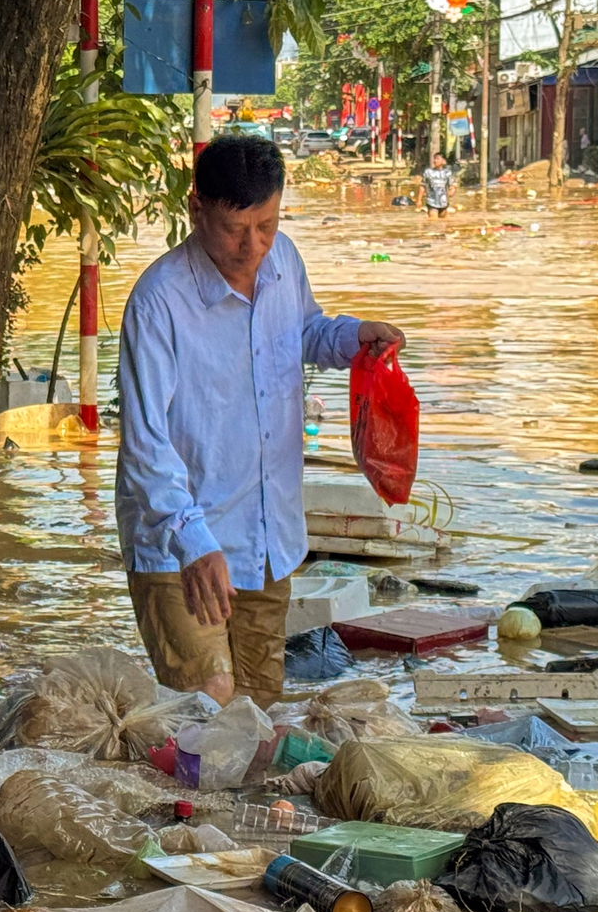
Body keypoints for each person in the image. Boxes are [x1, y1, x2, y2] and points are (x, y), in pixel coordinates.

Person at [116, 135, 406, 709]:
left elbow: (301, 331)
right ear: (196, 208)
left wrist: (351, 337)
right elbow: (144, 443)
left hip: (267, 536)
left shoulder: (284, 262)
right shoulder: (158, 302)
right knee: (209, 704)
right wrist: (193, 541)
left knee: (261, 710)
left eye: (267, 225)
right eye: (234, 229)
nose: (253, 246)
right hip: (181, 545)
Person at [419, 152, 455, 217]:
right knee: (433, 221)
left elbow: (451, 186)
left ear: (443, 161)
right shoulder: (428, 172)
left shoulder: (447, 173)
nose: (435, 161)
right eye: (434, 159)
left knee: (443, 223)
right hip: (431, 201)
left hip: (443, 202)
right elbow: (422, 186)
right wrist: (419, 200)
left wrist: (452, 190)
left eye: (438, 159)